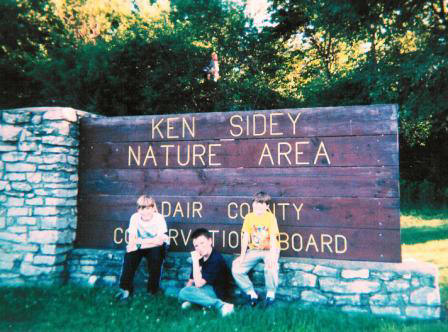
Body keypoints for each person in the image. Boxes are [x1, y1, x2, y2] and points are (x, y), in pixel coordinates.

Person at [115, 195, 169, 301]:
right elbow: (131, 240)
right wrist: (144, 242)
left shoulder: (159, 218)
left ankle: (152, 291)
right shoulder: (135, 217)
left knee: (156, 257)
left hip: (155, 247)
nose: (146, 212)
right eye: (142, 208)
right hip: (142, 246)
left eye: (148, 208)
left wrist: (139, 243)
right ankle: (125, 290)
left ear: (153, 208)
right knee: (130, 255)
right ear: (138, 209)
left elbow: (159, 241)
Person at [232, 191, 280, 307]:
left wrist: (273, 256)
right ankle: (251, 293)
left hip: (269, 249)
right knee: (236, 268)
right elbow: (245, 237)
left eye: (262, 204)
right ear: (253, 204)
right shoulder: (249, 217)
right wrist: (242, 256)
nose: (258, 206)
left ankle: (270, 294)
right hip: (254, 250)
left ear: (267, 206)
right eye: (256, 203)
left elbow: (273, 237)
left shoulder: (270, 218)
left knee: (271, 266)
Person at [178, 228, 234, 316]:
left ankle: (222, 305)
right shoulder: (200, 257)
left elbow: (198, 283)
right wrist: (188, 294)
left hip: (216, 292)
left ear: (210, 241)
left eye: (202, 243)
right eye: (196, 246)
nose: (199, 247)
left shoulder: (216, 259)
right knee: (184, 292)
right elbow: (191, 281)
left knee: (184, 292)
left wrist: (195, 261)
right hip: (202, 290)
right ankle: (197, 303)